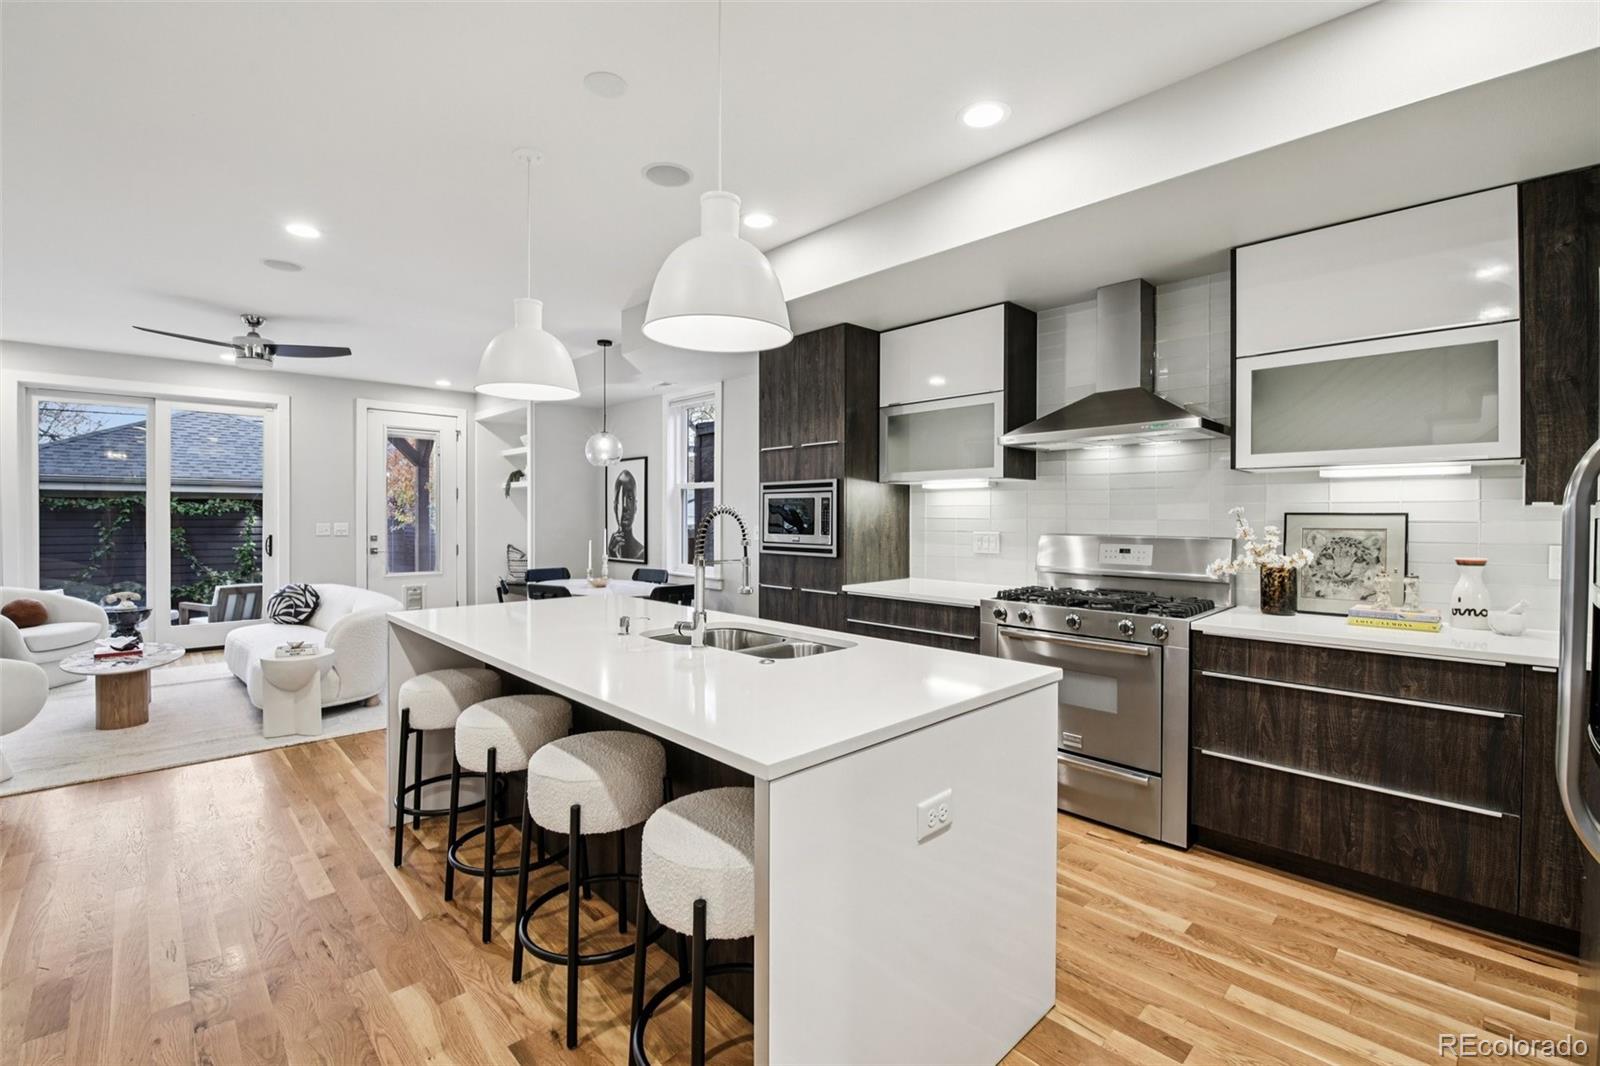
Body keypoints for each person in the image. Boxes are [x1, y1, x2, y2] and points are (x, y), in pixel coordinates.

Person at [607, 469, 645, 562]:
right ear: (614, 506)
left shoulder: (642, 553)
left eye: (629, 498)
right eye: (619, 499)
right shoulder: (609, 550)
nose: (625, 506)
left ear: (635, 506)